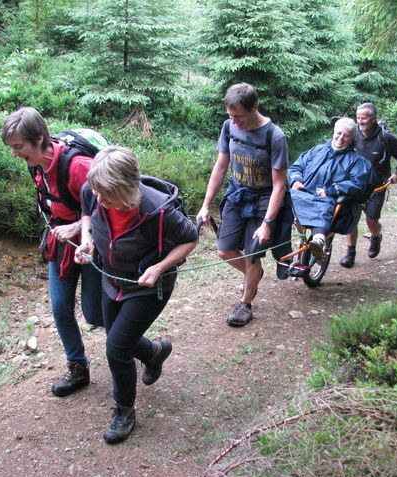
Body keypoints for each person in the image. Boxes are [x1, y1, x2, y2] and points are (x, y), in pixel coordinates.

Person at [75, 146, 198, 444]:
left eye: (106, 194)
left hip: (148, 287)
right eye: (97, 192)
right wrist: (87, 240)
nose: (99, 199)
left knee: (116, 349)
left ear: (126, 189)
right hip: (111, 278)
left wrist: (159, 267)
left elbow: (191, 238)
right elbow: (87, 213)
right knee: (118, 339)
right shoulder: (94, 191)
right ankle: (153, 353)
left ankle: (124, 411)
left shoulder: (157, 210)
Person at [2, 107, 102, 397]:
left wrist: (76, 227)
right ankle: (78, 369)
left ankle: (147, 350)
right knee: (60, 308)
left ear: (40, 138)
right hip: (60, 244)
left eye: (19, 147)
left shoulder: (78, 166)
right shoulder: (35, 163)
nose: (15, 154)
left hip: (91, 245)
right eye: (12, 147)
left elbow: (111, 207)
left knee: (95, 315)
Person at [196, 83, 288, 327]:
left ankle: (245, 303)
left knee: (252, 254)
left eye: (239, 116)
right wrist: (206, 205)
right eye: (230, 115)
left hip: (264, 200)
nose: (234, 121)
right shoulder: (229, 127)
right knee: (224, 250)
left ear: (254, 107)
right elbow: (221, 167)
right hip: (237, 195)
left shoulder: (274, 136)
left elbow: (280, 185)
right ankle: (253, 275)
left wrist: (268, 223)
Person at [340, 103, 397, 268]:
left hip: (377, 185)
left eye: (363, 118)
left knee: (371, 221)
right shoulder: (354, 134)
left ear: (373, 118)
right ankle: (350, 253)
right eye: (358, 118)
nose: (360, 121)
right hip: (355, 185)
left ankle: (376, 236)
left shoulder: (385, 137)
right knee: (352, 219)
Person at [288, 118, 372, 258]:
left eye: (346, 136)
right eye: (339, 133)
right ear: (333, 132)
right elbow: (296, 167)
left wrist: (332, 190)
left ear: (352, 138)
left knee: (325, 204)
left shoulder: (356, 161)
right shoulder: (316, 150)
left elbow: (358, 183)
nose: (341, 138)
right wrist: (295, 180)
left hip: (329, 200)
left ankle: (319, 239)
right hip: (304, 193)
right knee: (284, 198)